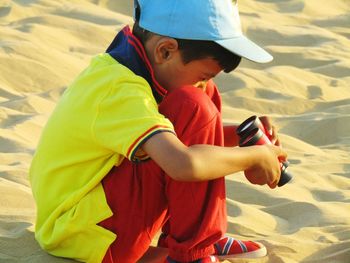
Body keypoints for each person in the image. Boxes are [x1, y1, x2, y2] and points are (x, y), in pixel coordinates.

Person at [29, 0, 287, 262]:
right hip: (84, 234)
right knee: (194, 103)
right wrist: (256, 157)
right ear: (165, 51)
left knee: (203, 97)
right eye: (204, 74)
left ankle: (188, 239)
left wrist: (244, 139)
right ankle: (193, 252)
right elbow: (183, 164)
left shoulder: (133, 66)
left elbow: (177, 138)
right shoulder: (119, 90)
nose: (204, 82)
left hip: (90, 219)